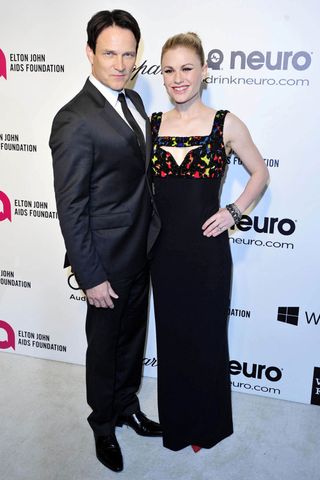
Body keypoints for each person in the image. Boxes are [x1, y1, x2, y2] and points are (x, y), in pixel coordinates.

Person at [49, 10, 162, 473]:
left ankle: (126, 405)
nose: (120, 63)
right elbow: (71, 205)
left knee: (133, 339)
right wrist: (90, 274)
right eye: (110, 53)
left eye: (128, 53)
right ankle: (102, 423)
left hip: (141, 248)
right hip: (105, 262)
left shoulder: (132, 99)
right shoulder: (74, 119)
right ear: (90, 52)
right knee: (105, 347)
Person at [150, 32, 269, 452]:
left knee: (206, 338)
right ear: (161, 76)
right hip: (162, 254)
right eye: (169, 70)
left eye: (186, 68)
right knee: (173, 337)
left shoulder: (226, 122)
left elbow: (260, 174)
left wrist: (234, 212)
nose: (178, 78)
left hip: (208, 253)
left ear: (204, 71)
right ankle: (179, 424)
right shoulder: (152, 125)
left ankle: (208, 424)